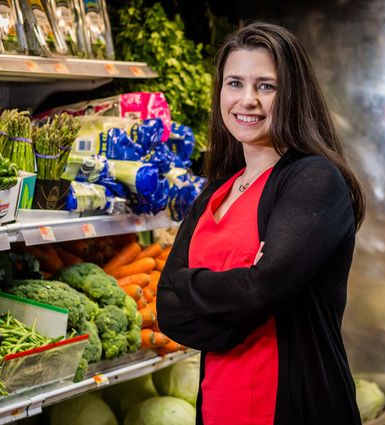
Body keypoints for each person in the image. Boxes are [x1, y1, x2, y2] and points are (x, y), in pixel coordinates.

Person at [157, 21, 366, 425]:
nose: (247, 100)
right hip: (219, 409)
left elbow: (260, 290)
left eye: (265, 86)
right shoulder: (217, 191)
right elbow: (168, 310)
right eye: (234, 83)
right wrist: (239, 293)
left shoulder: (314, 180)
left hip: (295, 408)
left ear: (292, 94)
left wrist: (188, 282)